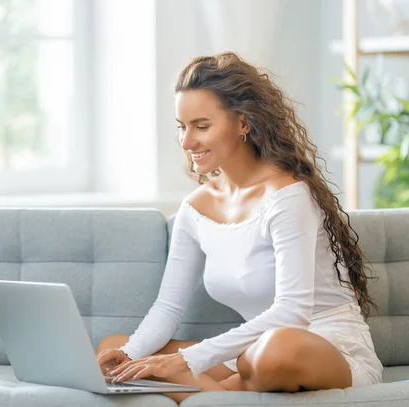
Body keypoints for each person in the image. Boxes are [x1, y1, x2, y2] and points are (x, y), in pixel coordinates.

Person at [95, 51, 383, 403]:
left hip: (318, 348)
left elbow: (291, 312)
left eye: (201, 126)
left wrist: (186, 360)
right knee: (113, 350)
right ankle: (229, 395)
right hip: (247, 355)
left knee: (275, 352)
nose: (187, 142)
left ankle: (208, 392)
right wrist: (131, 353)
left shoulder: (287, 196)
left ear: (243, 123)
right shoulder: (195, 208)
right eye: (181, 127)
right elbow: (168, 308)